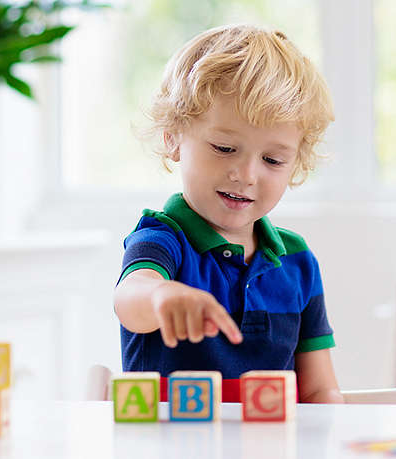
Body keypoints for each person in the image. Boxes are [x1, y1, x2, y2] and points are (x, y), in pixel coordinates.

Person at [113, 24, 342, 403]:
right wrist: (162, 297)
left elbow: (320, 389)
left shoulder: (297, 261)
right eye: (223, 148)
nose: (247, 175)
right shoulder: (163, 237)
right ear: (173, 137)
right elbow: (130, 298)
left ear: (296, 164)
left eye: (273, 159)